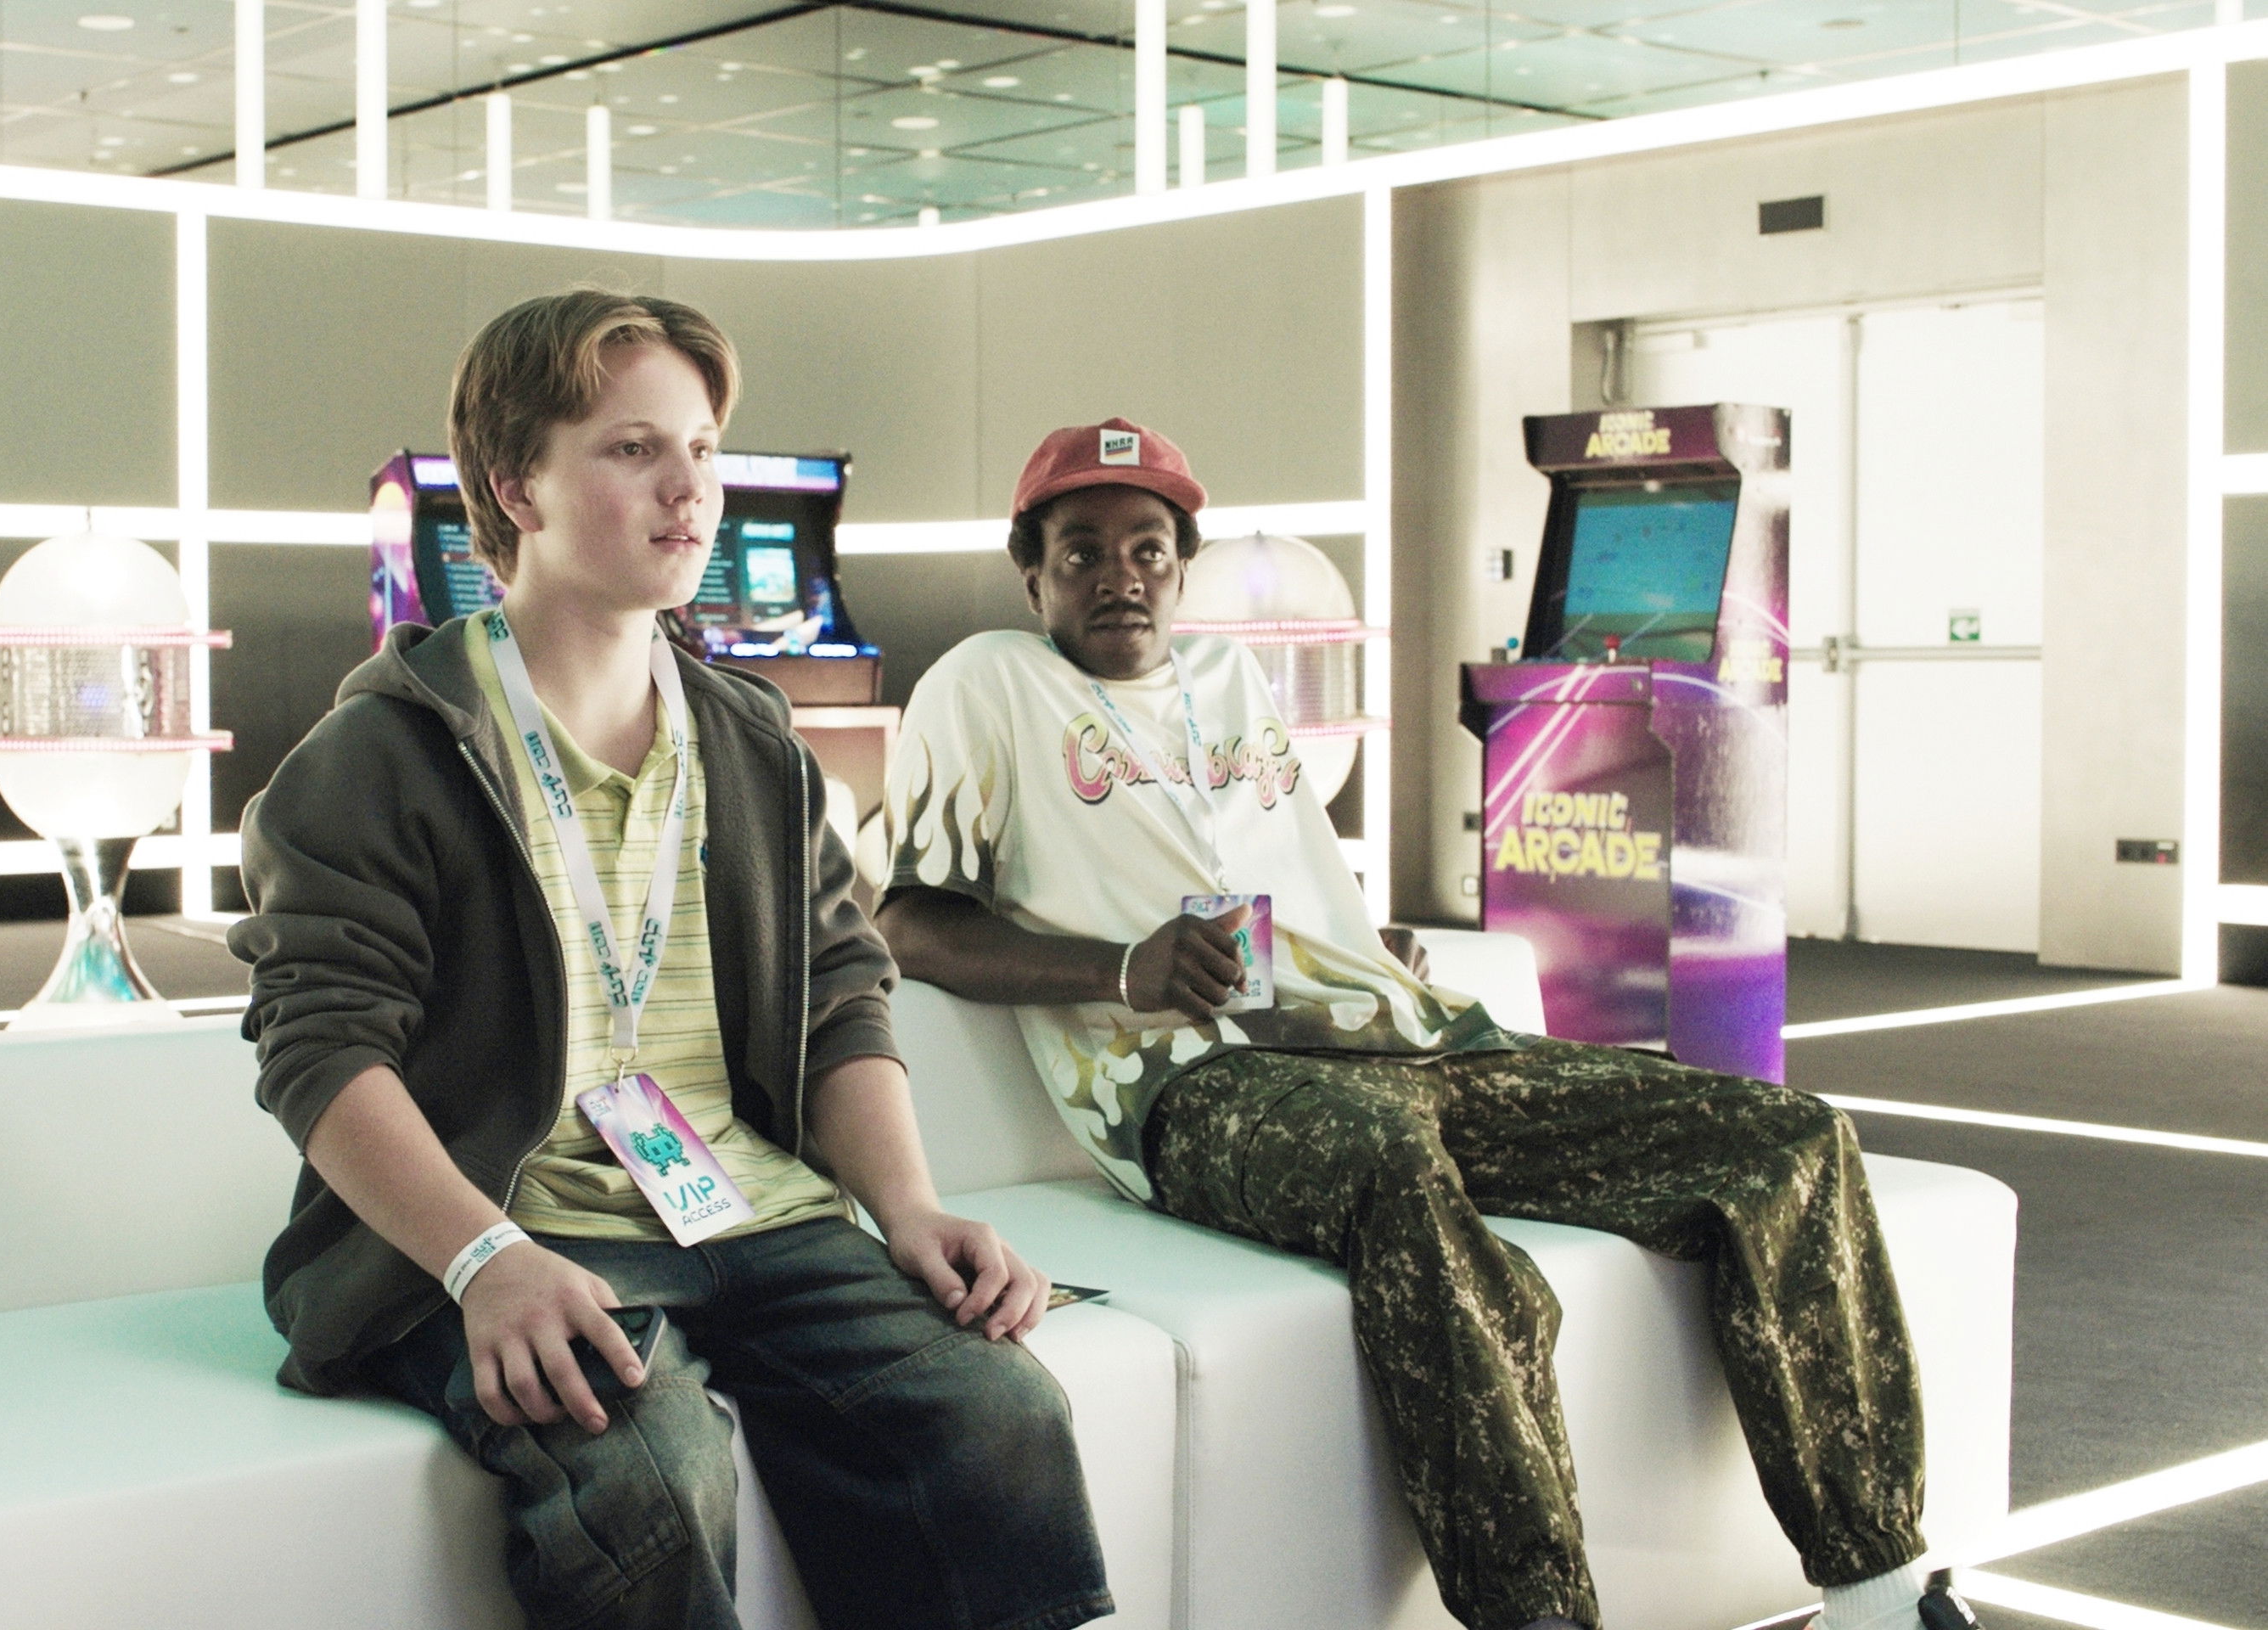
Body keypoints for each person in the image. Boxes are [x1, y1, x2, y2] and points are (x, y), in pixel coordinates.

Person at [873, 416, 1964, 1630]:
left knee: (1787, 1138)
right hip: (1189, 1088)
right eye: (1081, 551)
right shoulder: (988, 681)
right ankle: (1534, 1613)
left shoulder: (1229, 682)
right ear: (1031, 573)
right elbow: (907, 923)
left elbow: (1268, 873)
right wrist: (1124, 969)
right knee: (1398, 1171)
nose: (1118, 576)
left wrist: (1353, 942)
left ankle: (1877, 1591)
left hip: (1403, 1040)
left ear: (1183, 568)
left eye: (1148, 550)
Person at [228, 290, 1111, 1630]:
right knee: (651, 1471)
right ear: (515, 485)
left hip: (748, 1212)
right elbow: (320, 1048)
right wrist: (483, 1262)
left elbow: (841, 998)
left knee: (996, 1410)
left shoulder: (750, 744)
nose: (689, 490)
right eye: (632, 450)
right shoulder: (380, 755)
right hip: (509, 1227)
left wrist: (909, 1208)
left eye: (700, 449)